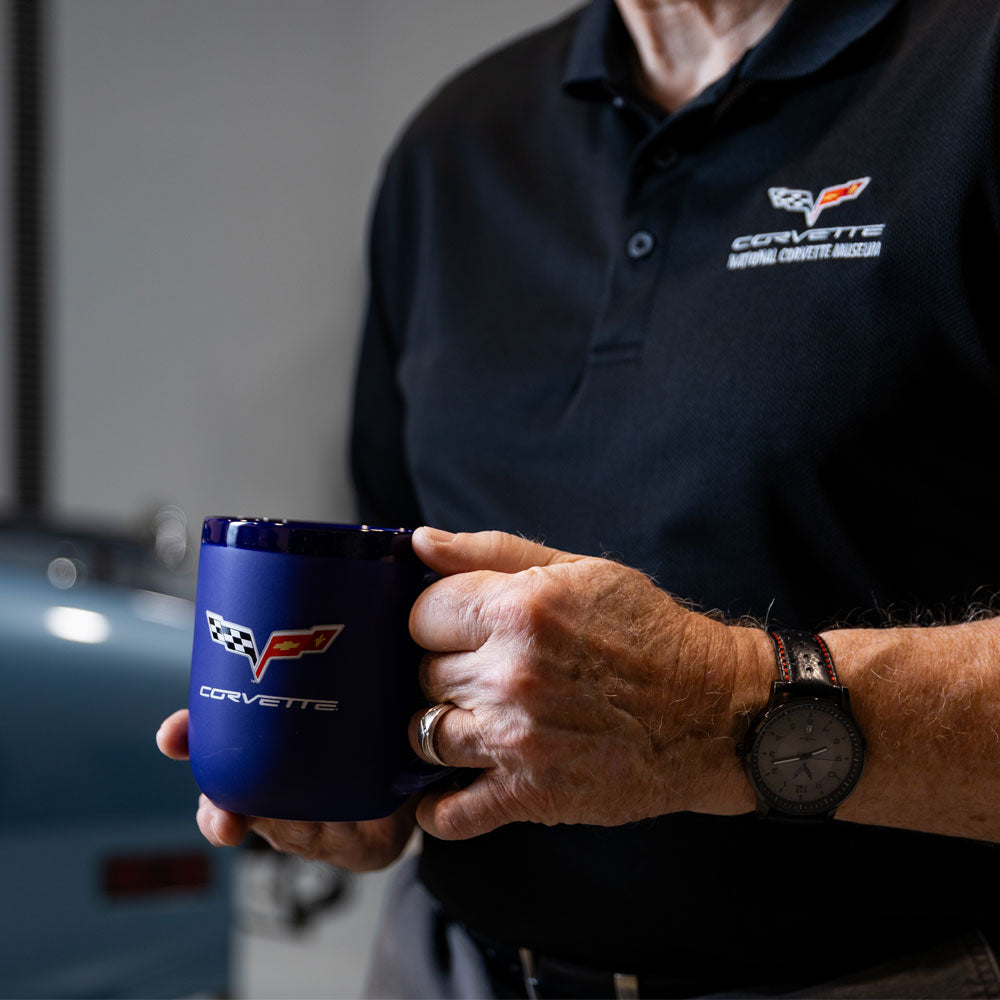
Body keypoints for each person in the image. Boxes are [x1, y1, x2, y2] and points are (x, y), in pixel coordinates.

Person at [158, 0, 1000, 995]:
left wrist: (712, 705)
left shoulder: (969, 67)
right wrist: (360, 760)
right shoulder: (458, 143)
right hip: (447, 965)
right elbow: (398, 572)